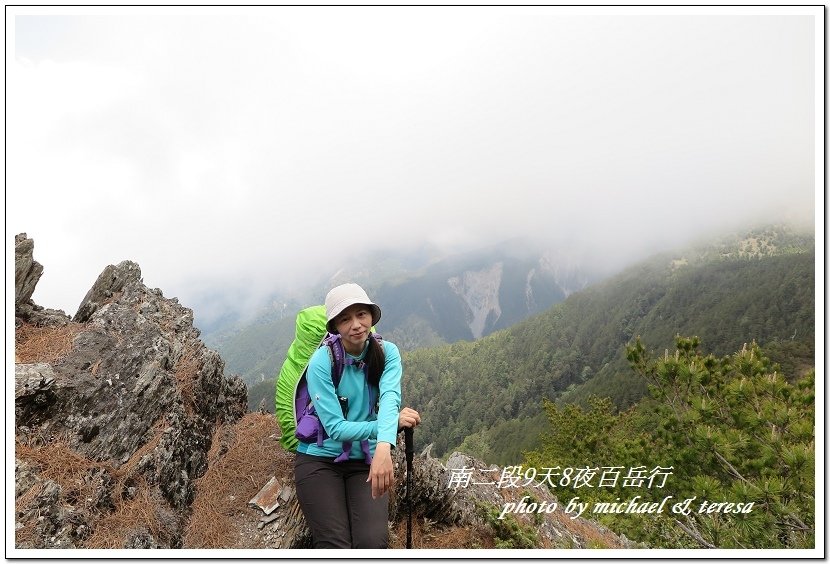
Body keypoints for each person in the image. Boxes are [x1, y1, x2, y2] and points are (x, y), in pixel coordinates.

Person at [294, 282, 421, 548]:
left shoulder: (387, 353)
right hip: (319, 459)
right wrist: (389, 426)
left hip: (364, 458)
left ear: (371, 317)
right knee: (334, 544)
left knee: (372, 544)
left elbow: (389, 399)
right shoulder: (322, 361)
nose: (356, 325)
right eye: (345, 318)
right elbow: (336, 429)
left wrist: (384, 449)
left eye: (361, 314)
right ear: (335, 327)